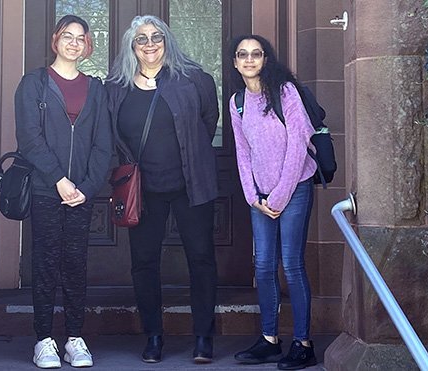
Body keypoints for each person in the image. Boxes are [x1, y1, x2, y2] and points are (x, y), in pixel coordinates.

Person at [105, 15, 219, 364]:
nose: (150, 43)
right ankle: (153, 336)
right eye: (141, 39)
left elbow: (208, 121)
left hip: (191, 184)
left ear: (167, 41)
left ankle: (203, 338)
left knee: (200, 259)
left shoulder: (194, 80)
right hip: (143, 190)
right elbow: (111, 136)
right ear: (132, 46)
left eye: (157, 37)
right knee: (143, 262)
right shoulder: (115, 88)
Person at [14, 15, 112, 369]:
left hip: (81, 194)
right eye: (67, 36)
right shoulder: (34, 84)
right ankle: (43, 340)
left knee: (75, 264)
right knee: (44, 264)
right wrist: (58, 179)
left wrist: (86, 187)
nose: (74, 42)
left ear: (88, 45)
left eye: (80, 38)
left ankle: (74, 337)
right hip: (45, 189)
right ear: (55, 41)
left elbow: (104, 144)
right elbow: (29, 138)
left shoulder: (96, 89)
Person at [228, 35, 318, 370]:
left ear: (266, 59)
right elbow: (242, 152)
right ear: (235, 63)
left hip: (293, 190)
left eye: (256, 54)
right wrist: (254, 197)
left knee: (291, 265)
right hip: (261, 199)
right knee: (264, 267)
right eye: (242, 55)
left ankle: (303, 343)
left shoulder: (285, 93)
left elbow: (298, 147)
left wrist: (278, 196)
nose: (249, 60)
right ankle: (269, 340)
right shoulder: (237, 102)